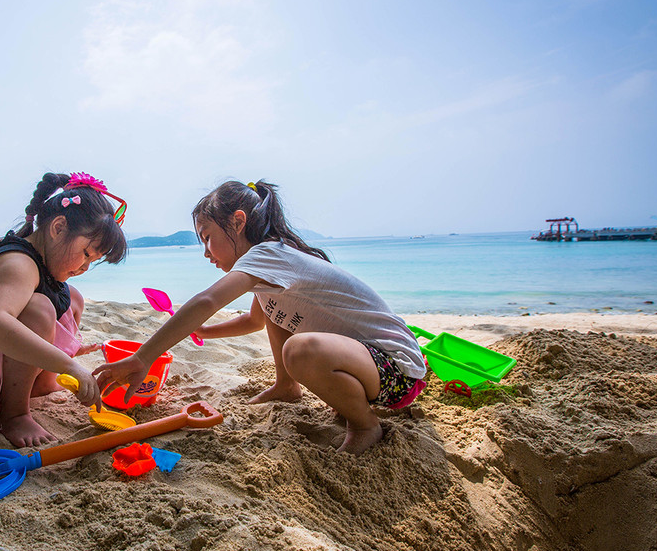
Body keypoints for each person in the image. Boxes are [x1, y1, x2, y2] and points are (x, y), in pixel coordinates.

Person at [94, 179, 425, 455]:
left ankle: (366, 425)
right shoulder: (270, 265)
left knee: (300, 350)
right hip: (369, 366)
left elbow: (207, 299)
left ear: (238, 222)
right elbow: (255, 320)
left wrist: (142, 358)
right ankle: (286, 385)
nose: (206, 252)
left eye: (208, 237)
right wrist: (205, 332)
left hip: (397, 371)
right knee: (273, 313)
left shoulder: (267, 254)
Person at [0, 172, 128, 447]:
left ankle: (41, 383)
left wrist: (64, 348)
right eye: (86, 253)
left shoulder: (43, 263)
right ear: (58, 228)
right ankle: (15, 415)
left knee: (72, 298)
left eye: (93, 260)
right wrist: (68, 364)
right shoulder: (18, 263)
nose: (85, 267)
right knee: (40, 308)